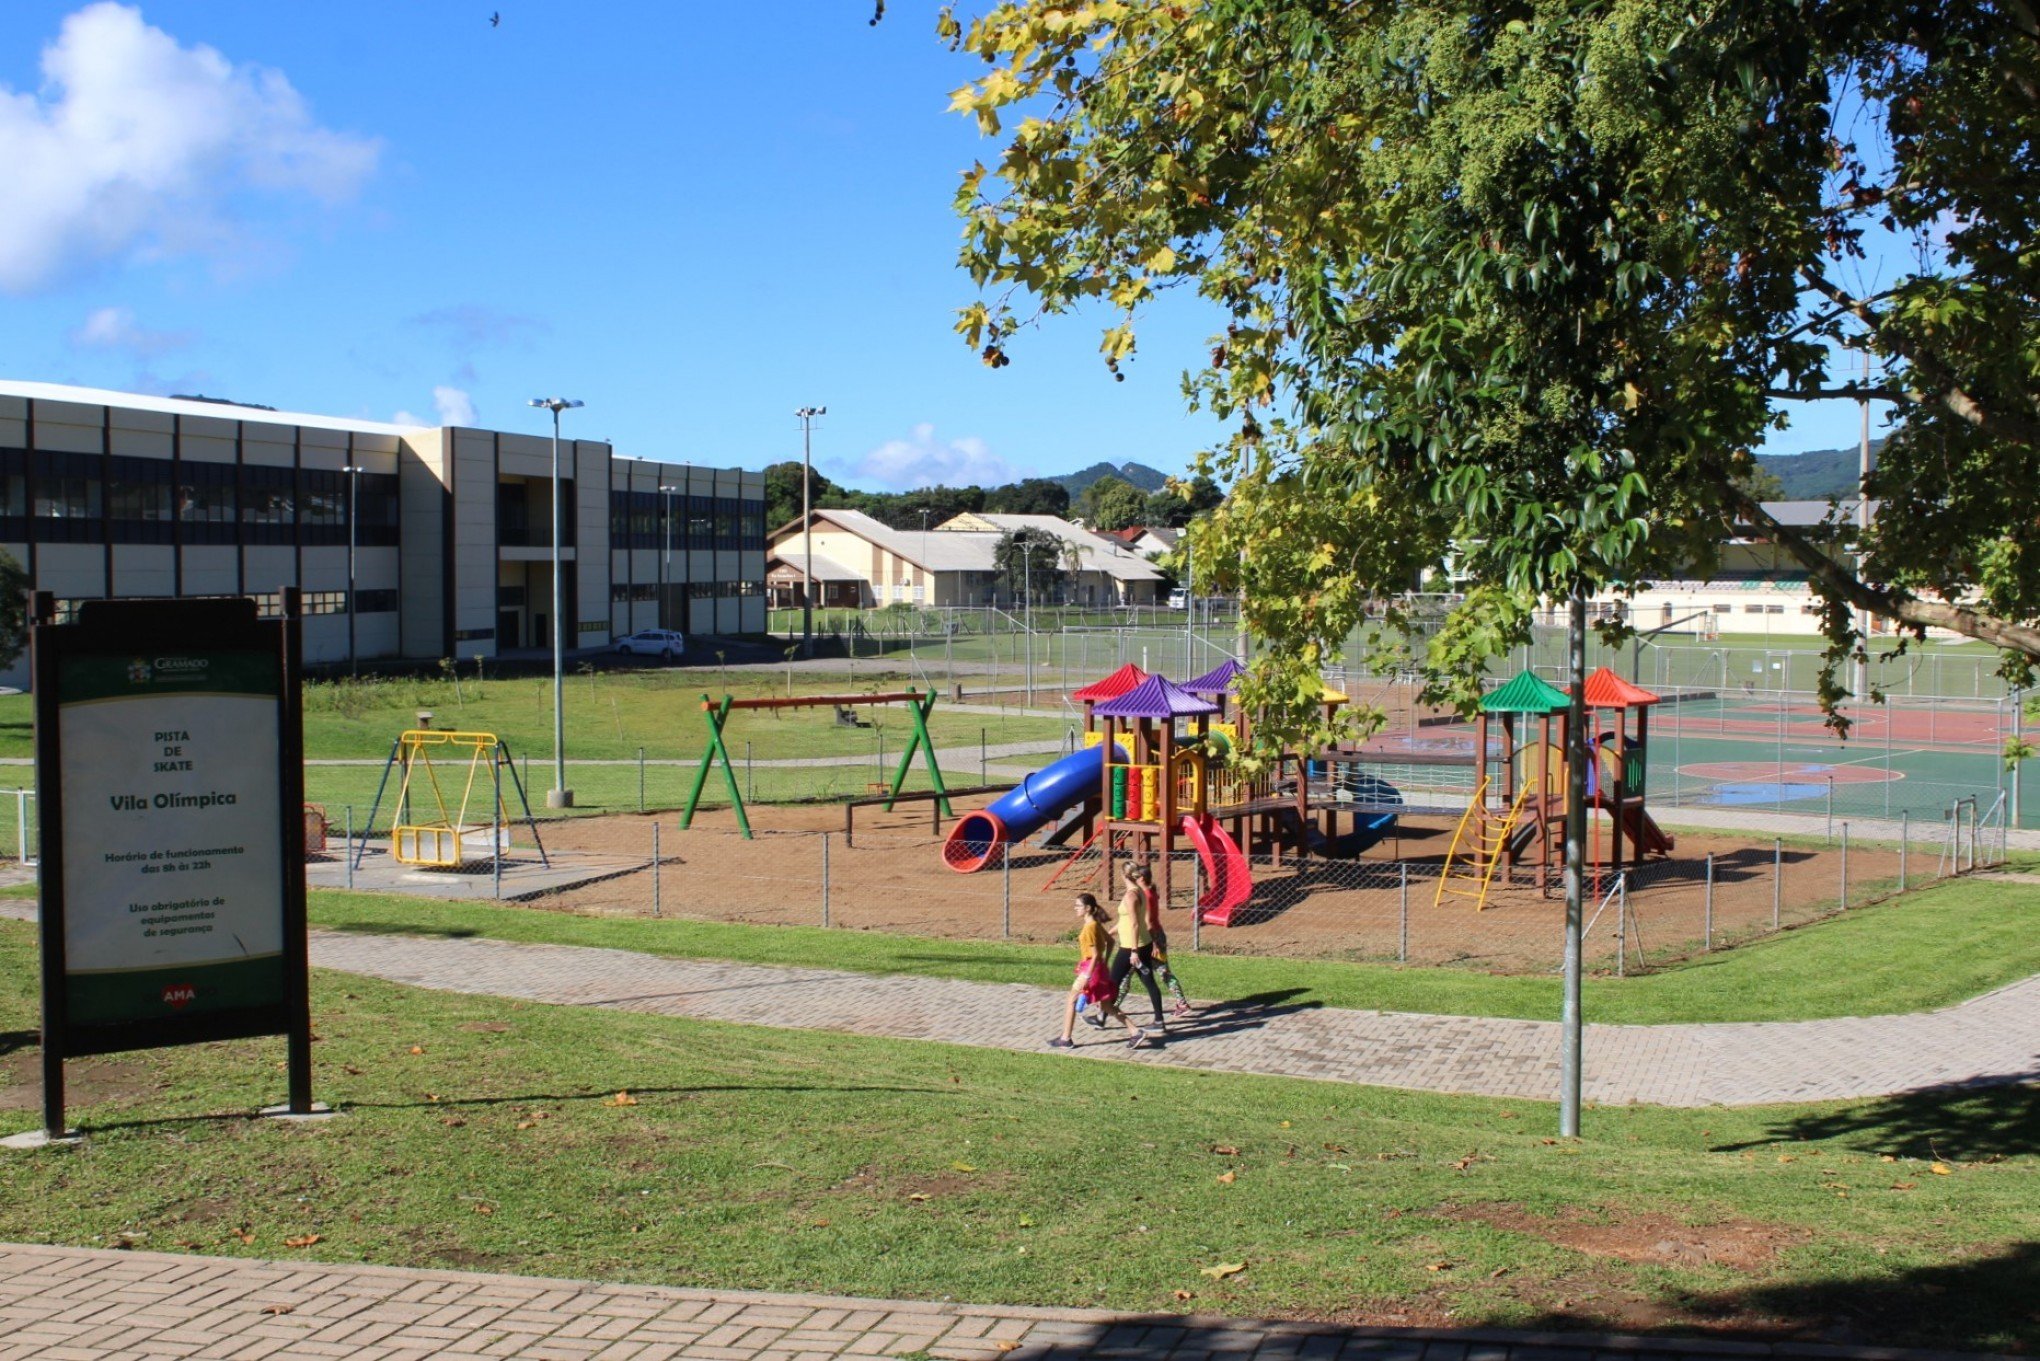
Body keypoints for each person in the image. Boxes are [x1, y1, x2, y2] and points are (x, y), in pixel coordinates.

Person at [1049, 893, 1144, 1049]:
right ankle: (1135, 1031)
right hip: (1099, 969)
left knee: (1071, 999)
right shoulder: (1096, 924)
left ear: (1087, 908)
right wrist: (1104, 964)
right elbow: (1111, 941)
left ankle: (1066, 1039)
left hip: (1090, 969)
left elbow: (1094, 955)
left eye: (1078, 906)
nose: (1075, 908)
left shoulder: (1089, 928)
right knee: (1106, 1006)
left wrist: (1087, 975)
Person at [1107, 862, 1167, 1044]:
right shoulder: (1139, 891)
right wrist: (1109, 932)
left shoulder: (1131, 896)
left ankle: (1106, 1012)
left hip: (1132, 947)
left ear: (1123, 875)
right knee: (1148, 981)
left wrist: (1133, 951)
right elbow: (1126, 920)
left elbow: (1134, 923)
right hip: (1143, 943)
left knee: (1112, 983)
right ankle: (1159, 1021)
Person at [1127, 860, 1193, 1018]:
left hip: (1152, 937)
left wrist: (1154, 942)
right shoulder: (1149, 892)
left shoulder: (1147, 895)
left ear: (1142, 878)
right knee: (1157, 971)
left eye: (1136, 877)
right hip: (1154, 936)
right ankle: (1182, 1003)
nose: (1133, 880)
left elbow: (1149, 921)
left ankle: (1109, 1007)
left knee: (1153, 971)